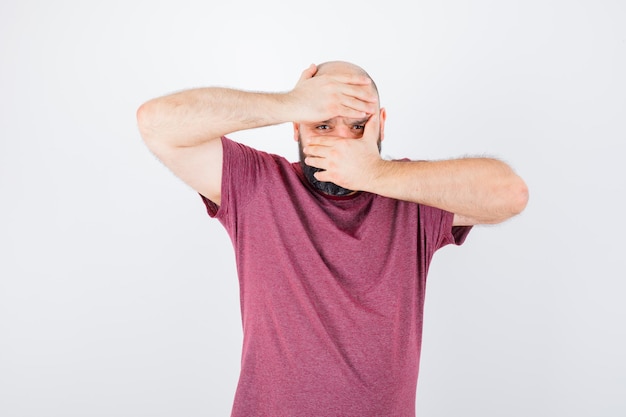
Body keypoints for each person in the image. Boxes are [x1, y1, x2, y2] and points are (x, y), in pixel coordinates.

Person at [136, 61, 529, 416]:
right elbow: (157, 123)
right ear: (297, 129)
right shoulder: (259, 184)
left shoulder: (413, 195)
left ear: (382, 124)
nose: (341, 141)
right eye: (322, 125)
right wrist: (290, 103)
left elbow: (510, 194)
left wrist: (372, 174)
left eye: (357, 127)